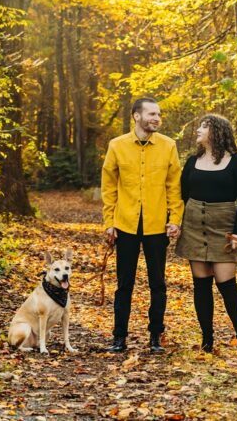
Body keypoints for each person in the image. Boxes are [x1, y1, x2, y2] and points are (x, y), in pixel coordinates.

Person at [100, 97, 183, 353]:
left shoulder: (169, 146)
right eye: (151, 114)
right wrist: (109, 223)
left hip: (157, 227)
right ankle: (119, 337)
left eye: (158, 114)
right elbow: (109, 187)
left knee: (158, 283)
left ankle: (156, 336)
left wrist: (175, 219)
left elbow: (174, 186)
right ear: (136, 116)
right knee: (124, 284)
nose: (156, 118)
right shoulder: (117, 146)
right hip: (125, 225)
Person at [176, 114, 237, 357]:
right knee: (201, 284)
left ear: (217, 132)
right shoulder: (192, 161)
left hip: (224, 227)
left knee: (226, 284)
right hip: (194, 225)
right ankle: (207, 339)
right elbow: (183, 194)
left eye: (203, 126)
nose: (198, 129)